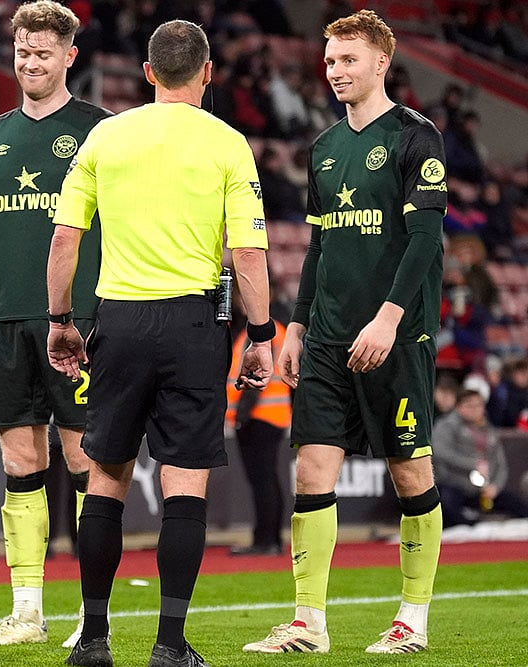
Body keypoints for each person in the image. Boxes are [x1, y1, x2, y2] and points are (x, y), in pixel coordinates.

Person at [46, 19, 273, 667]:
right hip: (192, 326)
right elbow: (248, 254)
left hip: (116, 321)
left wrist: (61, 319)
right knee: (185, 487)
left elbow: (65, 240)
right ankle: (170, 645)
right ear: (207, 72)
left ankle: (92, 639)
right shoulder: (229, 144)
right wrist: (259, 335)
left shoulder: (105, 136)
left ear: (147, 73)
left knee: (106, 480)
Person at [243, 10, 447, 655]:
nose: (335, 71)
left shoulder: (418, 138)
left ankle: (411, 620)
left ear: (381, 62)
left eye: (348, 59)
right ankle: (309, 624)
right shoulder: (325, 149)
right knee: (311, 468)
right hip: (327, 336)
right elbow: (319, 246)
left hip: (397, 334)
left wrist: (389, 317)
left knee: (409, 471)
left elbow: (424, 239)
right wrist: (296, 326)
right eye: (329, 61)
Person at [0, 0, 111, 648]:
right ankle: (26, 610)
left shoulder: (101, 131)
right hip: (5, 323)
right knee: (20, 460)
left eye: (43, 52)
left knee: (85, 459)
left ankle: (92, 612)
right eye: (22, 51)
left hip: (77, 325)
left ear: (71, 55)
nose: (30, 62)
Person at [226, 317, 291, 556]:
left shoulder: (262, 332)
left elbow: (253, 377)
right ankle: (269, 539)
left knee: (263, 481)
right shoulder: (273, 331)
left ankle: (266, 540)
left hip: (259, 416)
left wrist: (242, 415)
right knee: (266, 480)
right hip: (267, 415)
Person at [433, 388, 528, 528]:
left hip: (483, 489)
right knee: (447, 505)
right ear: (458, 407)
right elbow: (441, 452)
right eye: (469, 405)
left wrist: (495, 486)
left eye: (479, 405)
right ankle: (469, 525)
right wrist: (472, 464)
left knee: (517, 505)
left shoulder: (488, 429)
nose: (475, 410)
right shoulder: (447, 426)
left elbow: (500, 463)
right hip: (455, 485)